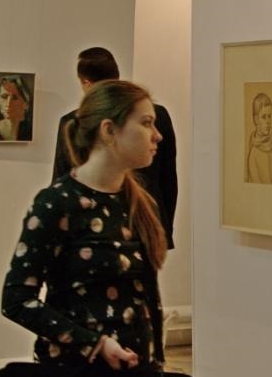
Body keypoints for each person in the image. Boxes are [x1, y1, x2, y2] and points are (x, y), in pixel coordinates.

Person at [2, 80, 167, 370]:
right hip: (76, 375)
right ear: (109, 130)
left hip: (134, 372)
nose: (157, 135)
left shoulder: (139, 203)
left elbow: (149, 298)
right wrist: (94, 343)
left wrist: (156, 365)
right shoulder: (57, 203)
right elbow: (16, 300)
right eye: (146, 123)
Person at [52, 47, 178, 249]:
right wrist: (164, 228)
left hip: (127, 224)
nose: (156, 135)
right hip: (124, 226)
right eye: (147, 124)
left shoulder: (73, 121)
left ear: (86, 83)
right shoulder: (158, 114)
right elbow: (168, 180)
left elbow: (61, 177)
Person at [0, 74, 33, 141]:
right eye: (4, 97)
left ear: (25, 104)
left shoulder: (30, 131)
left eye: (15, 98)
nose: (9, 103)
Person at [245, 92, 272, 184]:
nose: (268, 121)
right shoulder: (253, 154)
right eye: (264, 117)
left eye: (269, 116)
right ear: (256, 120)